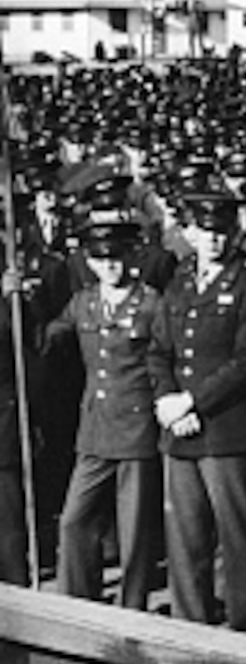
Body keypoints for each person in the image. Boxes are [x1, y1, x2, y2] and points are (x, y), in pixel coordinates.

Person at [147, 188, 246, 633]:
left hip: (226, 429)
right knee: (185, 538)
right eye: (205, 231)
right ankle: (189, 626)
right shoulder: (179, 278)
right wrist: (166, 398)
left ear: (234, 232)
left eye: (222, 231)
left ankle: (244, 630)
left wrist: (193, 401)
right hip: (179, 429)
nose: (213, 240)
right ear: (190, 233)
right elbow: (159, 349)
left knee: (236, 537)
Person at [42, 219, 166, 608]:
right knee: (74, 520)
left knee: (134, 530)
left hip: (135, 426)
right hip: (94, 428)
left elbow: (166, 359)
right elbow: (49, 337)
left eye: (117, 257)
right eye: (101, 259)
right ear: (90, 263)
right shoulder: (84, 302)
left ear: (131, 257)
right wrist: (20, 302)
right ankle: (78, 599)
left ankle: (132, 606)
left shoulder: (150, 303)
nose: (111, 265)